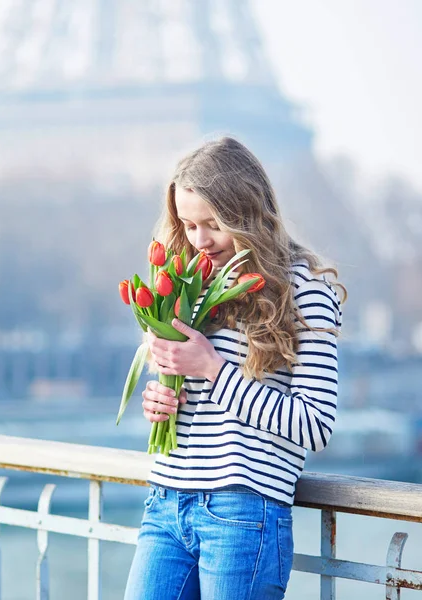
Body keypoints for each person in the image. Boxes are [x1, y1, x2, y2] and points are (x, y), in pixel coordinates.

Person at [124, 137, 345, 600]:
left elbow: (316, 425)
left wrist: (212, 369)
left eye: (213, 224)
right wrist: (162, 399)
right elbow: (198, 405)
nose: (200, 240)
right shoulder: (191, 281)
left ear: (247, 212)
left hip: (243, 513)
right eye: (188, 225)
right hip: (166, 501)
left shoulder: (304, 288)